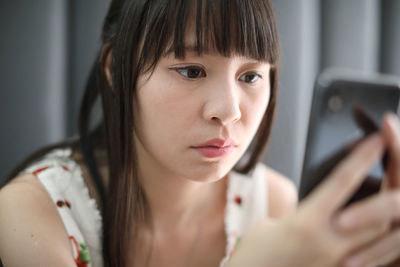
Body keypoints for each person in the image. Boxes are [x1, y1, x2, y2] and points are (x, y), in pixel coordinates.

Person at [1, 0, 400, 266]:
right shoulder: (30, 217)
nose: (228, 111)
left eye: (250, 76)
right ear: (114, 69)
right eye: (191, 71)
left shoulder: (272, 204)